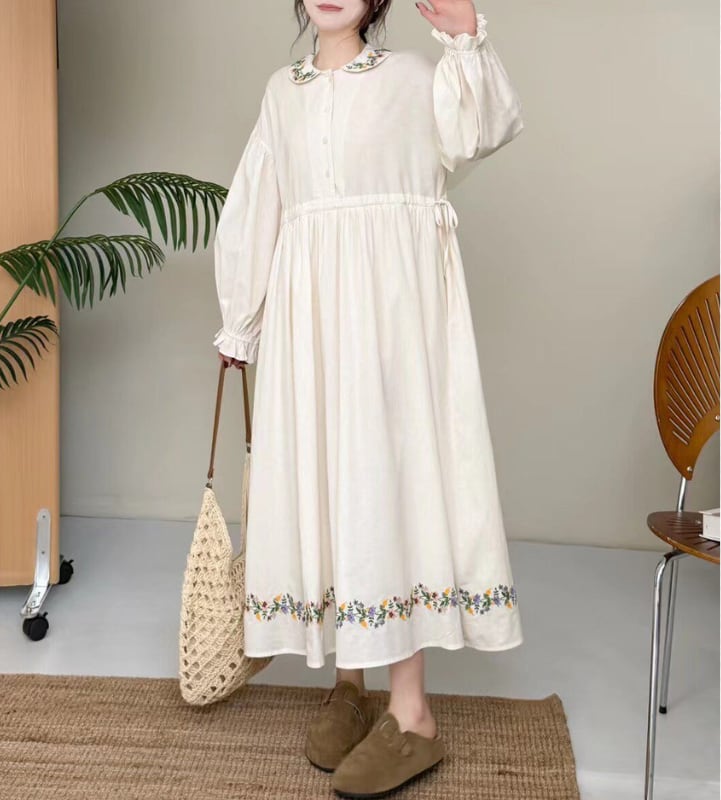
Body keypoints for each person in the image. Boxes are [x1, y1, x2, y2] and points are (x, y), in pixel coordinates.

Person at [212, 0, 524, 796]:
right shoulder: (281, 92)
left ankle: (412, 713)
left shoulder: (413, 77)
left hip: (391, 322)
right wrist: (240, 320)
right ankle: (350, 685)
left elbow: (482, 128)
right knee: (328, 479)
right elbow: (259, 201)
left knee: (386, 485)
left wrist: (464, 38)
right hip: (311, 323)